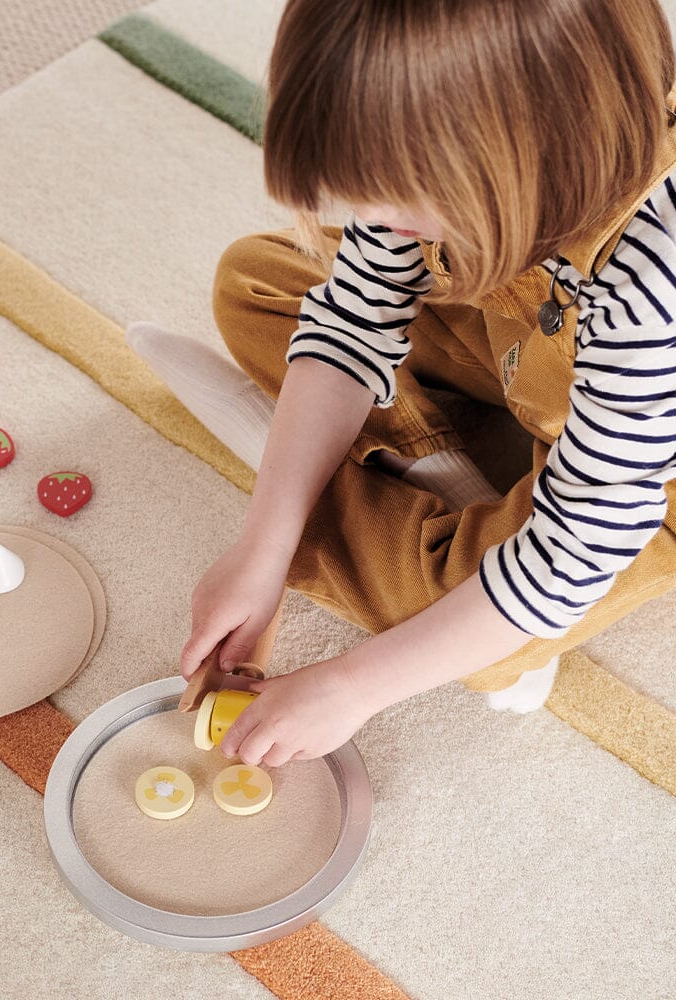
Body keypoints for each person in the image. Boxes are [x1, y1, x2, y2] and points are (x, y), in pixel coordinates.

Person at [127, 0, 676, 768]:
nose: (371, 216)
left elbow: (579, 543)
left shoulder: (652, 285)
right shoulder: (475, 144)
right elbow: (351, 320)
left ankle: (359, 488)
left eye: (400, 196)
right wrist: (262, 549)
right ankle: (430, 474)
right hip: (524, 343)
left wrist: (351, 687)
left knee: (468, 637)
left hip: (648, 473)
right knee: (256, 279)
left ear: (524, 154)